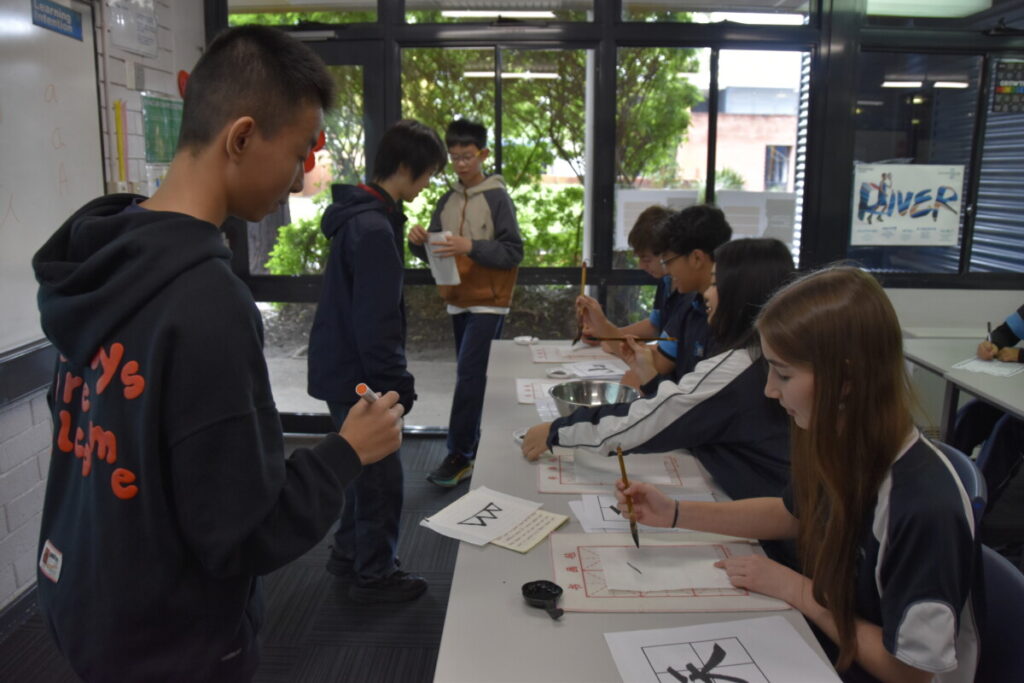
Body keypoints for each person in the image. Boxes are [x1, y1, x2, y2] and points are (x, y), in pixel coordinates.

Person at [31, 26, 404, 682]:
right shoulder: (207, 301)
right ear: (240, 137)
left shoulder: (101, 264)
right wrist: (348, 450)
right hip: (176, 641)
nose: (297, 180)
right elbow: (242, 531)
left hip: (87, 603)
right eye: (295, 155)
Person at [616, 266, 980, 683]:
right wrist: (674, 514)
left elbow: (909, 671)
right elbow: (792, 513)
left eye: (783, 374)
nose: (770, 390)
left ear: (845, 380)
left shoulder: (922, 505)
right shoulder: (842, 445)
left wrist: (796, 590)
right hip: (837, 636)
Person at [521, 238, 795, 503]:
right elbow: (690, 407)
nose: (707, 293)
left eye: (715, 283)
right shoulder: (751, 352)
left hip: (768, 518)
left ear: (740, 292)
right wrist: (651, 379)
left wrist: (558, 430)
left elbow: (654, 418)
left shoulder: (741, 364)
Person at [307, 119, 447, 602]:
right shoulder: (372, 228)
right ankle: (376, 571)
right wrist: (396, 388)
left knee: (358, 467)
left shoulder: (363, 216)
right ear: (406, 167)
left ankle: (349, 554)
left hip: (341, 368)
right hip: (361, 377)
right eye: (428, 173)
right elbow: (377, 323)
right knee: (384, 478)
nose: (428, 183)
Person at [408, 118, 524, 488]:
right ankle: (473, 448)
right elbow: (434, 252)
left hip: (490, 301)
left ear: (483, 154)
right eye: (454, 157)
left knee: (469, 376)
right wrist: (417, 241)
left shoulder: (497, 197)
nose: (460, 164)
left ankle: (459, 454)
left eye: (467, 156)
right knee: (472, 377)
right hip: (456, 298)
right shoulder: (447, 199)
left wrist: (469, 245)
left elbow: (513, 252)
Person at [576, 205, 679, 387]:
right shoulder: (667, 282)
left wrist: (606, 329)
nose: (641, 266)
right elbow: (656, 324)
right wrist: (606, 334)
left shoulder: (690, 294)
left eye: (646, 259)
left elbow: (662, 363)